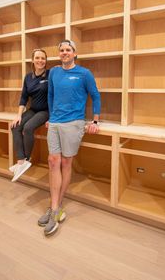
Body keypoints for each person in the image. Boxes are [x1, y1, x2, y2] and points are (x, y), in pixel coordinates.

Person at [38, 39, 101, 236]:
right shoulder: (55, 72)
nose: (65, 52)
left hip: (74, 122)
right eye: (62, 50)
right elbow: (50, 96)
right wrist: (50, 117)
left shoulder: (84, 73)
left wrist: (95, 121)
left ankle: (55, 207)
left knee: (65, 163)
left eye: (68, 50)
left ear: (74, 53)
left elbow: (96, 96)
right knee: (52, 161)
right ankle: (55, 207)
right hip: (55, 122)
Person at [10, 48, 49, 182]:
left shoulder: (50, 75)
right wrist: (19, 115)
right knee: (15, 126)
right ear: (32, 60)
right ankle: (21, 161)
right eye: (37, 58)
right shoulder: (28, 77)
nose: (40, 61)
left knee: (28, 128)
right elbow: (23, 98)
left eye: (43, 58)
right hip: (33, 109)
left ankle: (27, 159)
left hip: (46, 111)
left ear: (46, 60)